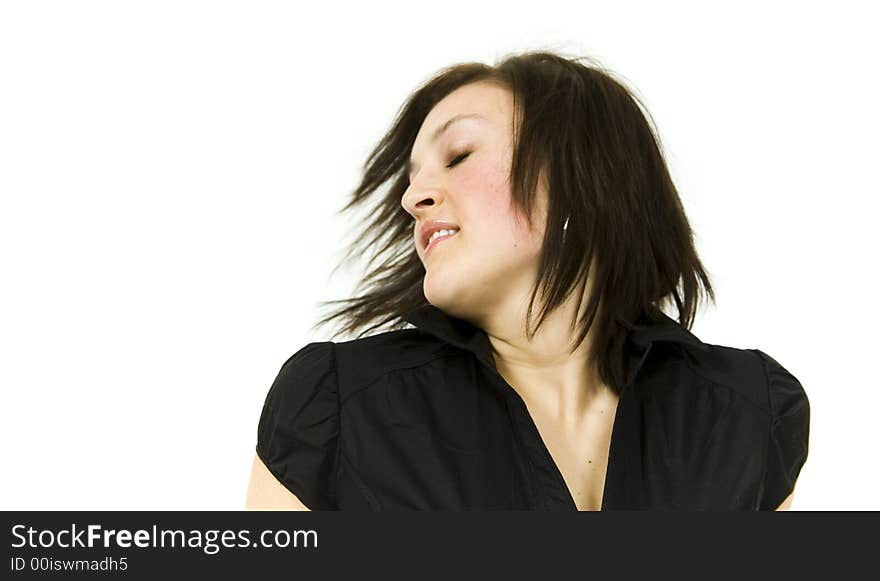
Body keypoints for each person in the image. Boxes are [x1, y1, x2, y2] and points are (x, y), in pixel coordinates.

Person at [245, 51, 810, 511]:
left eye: (459, 154)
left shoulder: (747, 411)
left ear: (579, 175)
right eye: (413, 178)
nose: (412, 199)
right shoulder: (335, 409)